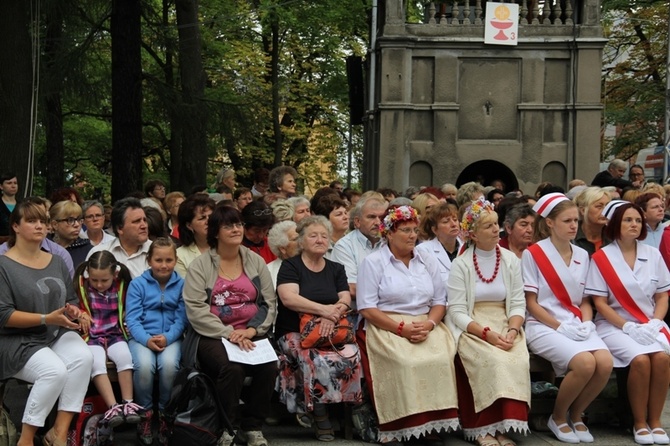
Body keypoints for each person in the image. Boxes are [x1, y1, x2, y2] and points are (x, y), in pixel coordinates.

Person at [356, 205, 459, 445]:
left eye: (414, 230)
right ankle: (398, 425)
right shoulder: (373, 262)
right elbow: (367, 307)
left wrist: (432, 324)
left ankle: (430, 426)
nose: (412, 235)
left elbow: (439, 301)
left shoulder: (426, 259)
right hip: (386, 323)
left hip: (425, 321)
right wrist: (400, 328)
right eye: (405, 230)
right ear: (389, 233)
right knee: (405, 361)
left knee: (441, 357)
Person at [0, 200, 93, 446]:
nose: (39, 226)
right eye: (31, 221)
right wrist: (46, 318)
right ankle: (27, 439)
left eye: (42, 220)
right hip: (16, 339)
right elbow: (4, 316)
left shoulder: (57, 261)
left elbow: (70, 300)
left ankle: (58, 433)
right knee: (54, 371)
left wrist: (76, 312)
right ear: (16, 227)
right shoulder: (3, 265)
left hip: (53, 333)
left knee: (83, 357)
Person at [182, 206, 277, 446]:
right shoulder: (200, 266)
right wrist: (229, 333)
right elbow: (196, 309)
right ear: (215, 232)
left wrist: (252, 331)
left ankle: (253, 427)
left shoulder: (255, 261)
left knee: (269, 365)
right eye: (228, 225)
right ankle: (227, 427)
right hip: (214, 334)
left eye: (238, 224)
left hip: (250, 332)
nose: (236, 229)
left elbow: (268, 302)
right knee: (232, 368)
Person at [522, 193, 613, 443]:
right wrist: (560, 326)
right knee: (585, 363)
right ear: (550, 223)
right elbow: (531, 303)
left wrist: (585, 322)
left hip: (576, 322)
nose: (574, 225)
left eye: (576, 220)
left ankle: (577, 414)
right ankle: (558, 417)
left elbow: (584, 300)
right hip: (542, 325)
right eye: (567, 221)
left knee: (604, 362)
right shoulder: (533, 254)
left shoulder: (583, 255)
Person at [447, 197, 530, 446]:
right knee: (490, 360)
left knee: (514, 359)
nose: (496, 230)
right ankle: (481, 428)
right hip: (472, 324)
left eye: (496, 224)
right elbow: (457, 311)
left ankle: (503, 427)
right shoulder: (460, 264)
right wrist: (485, 334)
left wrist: (513, 330)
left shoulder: (510, 260)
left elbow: (517, 302)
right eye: (488, 226)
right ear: (472, 234)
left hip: (504, 321)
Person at [586, 201, 670, 445]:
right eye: (628, 220)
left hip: (649, 323)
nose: (635, 224)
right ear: (614, 224)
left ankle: (655, 421)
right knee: (641, 360)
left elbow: (663, 295)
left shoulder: (652, 255)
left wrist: (656, 322)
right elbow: (600, 303)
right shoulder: (602, 258)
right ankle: (639, 422)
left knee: (663, 358)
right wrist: (627, 326)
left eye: (637, 220)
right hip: (614, 326)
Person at [275, 215, 362, 441]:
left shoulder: (336, 268)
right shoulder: (290, 266)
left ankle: (349, 412)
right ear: (302, 241)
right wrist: (324, 311)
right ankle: (320, 413)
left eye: (324, 235)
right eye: (313, 235)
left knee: (352, 353)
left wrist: (331, 317)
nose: (320, 239)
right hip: (295, 330)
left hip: (331, 328)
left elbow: (344, 298)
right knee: (313, 357)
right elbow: (289, 298)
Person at [126, 237, 187, 446]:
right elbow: (131, 319)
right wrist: (146, 339)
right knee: (144, 366)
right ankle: (144, 414)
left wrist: (168, 337)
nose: (163, 265)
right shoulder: (137, 284)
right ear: (149, 261)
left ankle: (165, 414)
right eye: (158, 260)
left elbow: (182, 318)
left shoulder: (182, 285)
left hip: (171, 337)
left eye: (169, 260)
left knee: (169, 366)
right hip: (141, 338)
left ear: (176, 260)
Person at [74, 251, 142, 428]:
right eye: (94, 280)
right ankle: (113, 407)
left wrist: (127, 316)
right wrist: (80, 313)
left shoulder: (122, 286)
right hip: (92, 336)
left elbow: (132, 307)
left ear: (115, 274)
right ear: (88, 273)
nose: (99, 284)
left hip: (115, 334)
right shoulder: (82, 286)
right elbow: (74, 305)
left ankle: (128, 403)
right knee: (95, 363)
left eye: (104, 280)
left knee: (125, 358)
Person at [331, 196, 388, 302]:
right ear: (357, 222)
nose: (378, 222)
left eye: (381, 218)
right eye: (371, 217)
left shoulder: (390, 242)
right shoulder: (344, 246)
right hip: (357, 313)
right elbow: (351, 288)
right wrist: (392, 293)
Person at [88, 197, 152, 278]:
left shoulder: (159, 253)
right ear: (119, 228)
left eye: (145, 220)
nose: (144, 226)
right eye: (137, 221)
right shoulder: (98, 253)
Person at [415, 202, 463, 288]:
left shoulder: (468, 248)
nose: (453, 224)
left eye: (455, 219)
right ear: (435, 230)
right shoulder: (423, 251)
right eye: (446, 221)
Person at [175, 194, 215, 277]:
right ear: (189, 225)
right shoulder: (180, 256)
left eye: (211, 216)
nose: (209, 221)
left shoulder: (227, 246)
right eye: (202, 218)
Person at [49, 200, 93, 269]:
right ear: (55, 224)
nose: (77, 224)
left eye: (79, 220)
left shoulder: (88, 250)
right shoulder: (44, 247)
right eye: (70, 220)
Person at [573, 187, 611, 257]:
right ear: (583, 210)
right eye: (599, 206)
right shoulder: (571, 237)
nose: (605, 211)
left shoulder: (615, 237)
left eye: (608, 206)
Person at [267, 220, 299, 288]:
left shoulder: (313, 264)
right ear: (283, 249)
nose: (302, 242)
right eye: (296, 239)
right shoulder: (269, 272)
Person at [0, 173, 18, 242]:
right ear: (1, 186)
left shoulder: (22, 205)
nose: (13, 186)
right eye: (9, 183)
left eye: (15, 183)